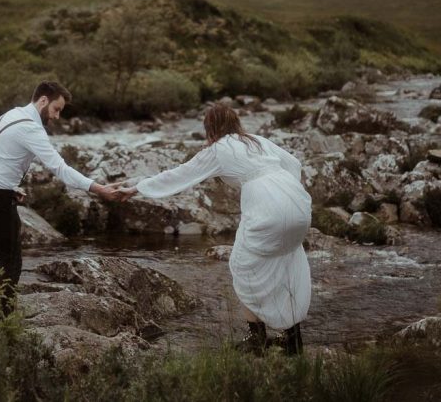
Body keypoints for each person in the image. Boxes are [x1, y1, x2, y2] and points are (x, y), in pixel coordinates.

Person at [119, 104, 312, 354]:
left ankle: (258, 338)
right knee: (288, 261)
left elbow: (180, 175)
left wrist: (137, 189)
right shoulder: (256, 140)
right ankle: (293, 340)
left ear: (210, 127)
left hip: (267, 204)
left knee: (242, 265)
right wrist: (284, 191)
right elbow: (294, 163)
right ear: (235, 122)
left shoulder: (219, 149)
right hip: (297, 200)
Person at [0, 80, 124, 313]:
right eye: (56, 109)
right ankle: (6, 315)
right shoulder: (31, 128)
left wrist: (12, 186)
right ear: (43, 101)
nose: (57, 116)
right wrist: (98, 188)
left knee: (6, 233)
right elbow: (60, 169)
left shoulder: (11, 114)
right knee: (12, 255)